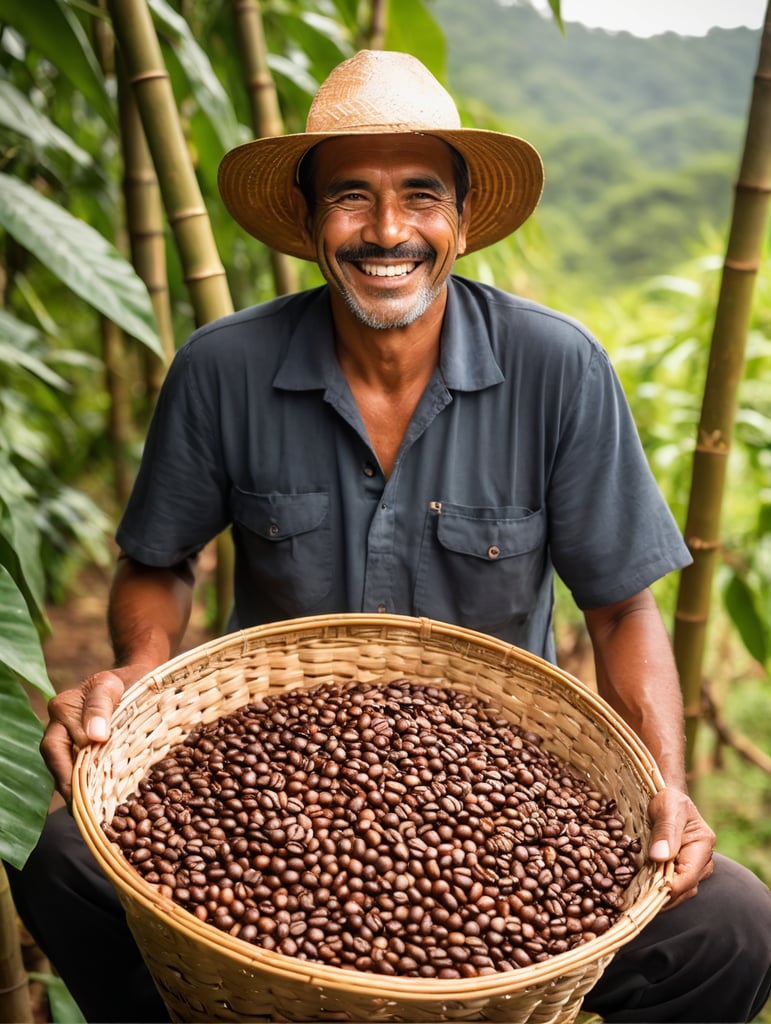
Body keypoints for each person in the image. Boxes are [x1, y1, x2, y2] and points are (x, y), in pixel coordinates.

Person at [9, 50, 770, 1024]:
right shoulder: (222, 369)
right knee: (61, 854)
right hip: (268, 774)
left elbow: (622, 605)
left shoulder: (557, 369)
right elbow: (157, 562)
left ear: (459, 219)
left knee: (737, 927)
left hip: (506, 796)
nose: (387, 230)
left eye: (420, 194)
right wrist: (138, 666)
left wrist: (667, 782)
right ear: (311, 220)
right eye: (351, 197)